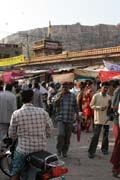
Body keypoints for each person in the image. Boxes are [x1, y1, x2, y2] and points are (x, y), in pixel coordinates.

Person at [8, 89, 53, 180]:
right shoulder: (42, 112)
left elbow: (11, 133)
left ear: (21, 99)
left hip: (23, 150)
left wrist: (13, 138)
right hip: (41, 149)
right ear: (32, 98)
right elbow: (50, 129)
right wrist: (45, 136)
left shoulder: (16, 114)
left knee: (15, 172)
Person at [55, 82, 79, 157]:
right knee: (60, 134)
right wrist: (60, 96)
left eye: (66, 87)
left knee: (67, 137)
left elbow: (76, 106)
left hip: (69, 119)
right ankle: (59, 149)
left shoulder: (73, 96)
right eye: (63, 87)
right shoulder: (58, 95)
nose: (64, 89)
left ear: (69, 87)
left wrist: (78, 115)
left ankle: (64, 151)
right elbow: (54, 104)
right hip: (60, 118)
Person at [88, 82, 111, 158]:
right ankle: (91, 152)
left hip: (106, 120)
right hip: (98, 119)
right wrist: (99, 108)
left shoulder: (109, 97)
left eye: (107, 88)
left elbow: (110, 108)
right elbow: (91, 105)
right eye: (104, 87)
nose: (105, 89)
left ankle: (104, 149)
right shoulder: (96, 96)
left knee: (105, 136)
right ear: (101, 88)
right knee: (96, 136)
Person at [0, 84, 17, 148]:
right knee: (11, 132)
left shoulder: (0, 95)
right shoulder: (13, 96)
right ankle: (9, 146)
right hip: (10, 118)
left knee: (2, 133)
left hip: (1, 117)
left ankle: (2, 146)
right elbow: (14, 108)